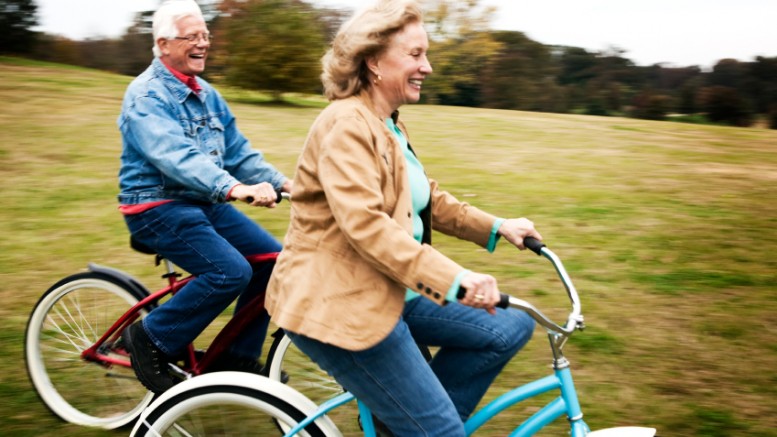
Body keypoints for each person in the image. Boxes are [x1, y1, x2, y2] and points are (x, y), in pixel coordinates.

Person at [265, 0, 542, 435]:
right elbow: (368, 227)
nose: (427, 66)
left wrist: (497, 226)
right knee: (440, 431)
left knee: (510, 325)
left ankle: (409, 423)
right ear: (373, 61)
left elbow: (424, 197)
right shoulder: (347, 125)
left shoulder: (388, 123)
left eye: (425, 54)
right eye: (415, 54)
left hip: (389, 289)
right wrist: (456, 279)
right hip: (340, 303)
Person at [117, 0, 292, 394]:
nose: (203, 43)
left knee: (274, 262)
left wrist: (286, 184)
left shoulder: (208, 95)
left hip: (203, 205)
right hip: (156, 207)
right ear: (163, 44)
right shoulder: (145, 96)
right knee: (230, 271)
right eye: (191, 37)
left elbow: (239, 153)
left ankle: (236, 357)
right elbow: (176, 157)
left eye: (205, 35)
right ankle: (149, 338)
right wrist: (235, 188)